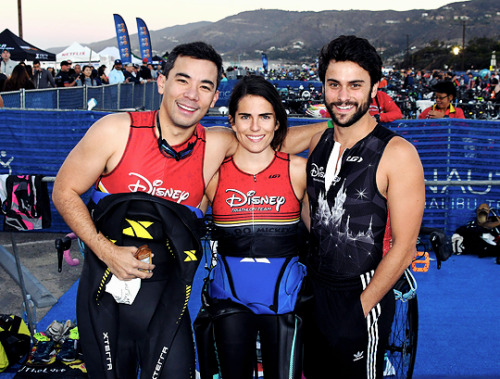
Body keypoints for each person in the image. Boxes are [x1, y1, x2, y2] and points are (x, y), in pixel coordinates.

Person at [52, 41, 324, 379]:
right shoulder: (116, 131)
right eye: (183, 80)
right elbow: (64, 191)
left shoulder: (216, 144)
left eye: (205, 86)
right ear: (162, 83)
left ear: (213, 99)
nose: (192, 93)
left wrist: (341, 127)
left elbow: (266, 140)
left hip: (168, 300)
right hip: (106, 293)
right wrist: (107, 251)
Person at [303, 35, 425, 378]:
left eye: (355, 85)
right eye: (334, 85)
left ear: (374, 90)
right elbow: (311, 215)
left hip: (361, 294)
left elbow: (404, 248)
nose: (343, 96)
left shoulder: (398, 153)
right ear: (323, 87)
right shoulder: (318, 140)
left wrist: (359, 310)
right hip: (314, 291)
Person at [197, 75, 307, 379]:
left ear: (276, 122)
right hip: (228, 300)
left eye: (265, 117)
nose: (255, 127)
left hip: (284, 301)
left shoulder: (298, 170)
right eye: (245, 117)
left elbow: (324, 235)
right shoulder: (213, 174)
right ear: (232, 121)